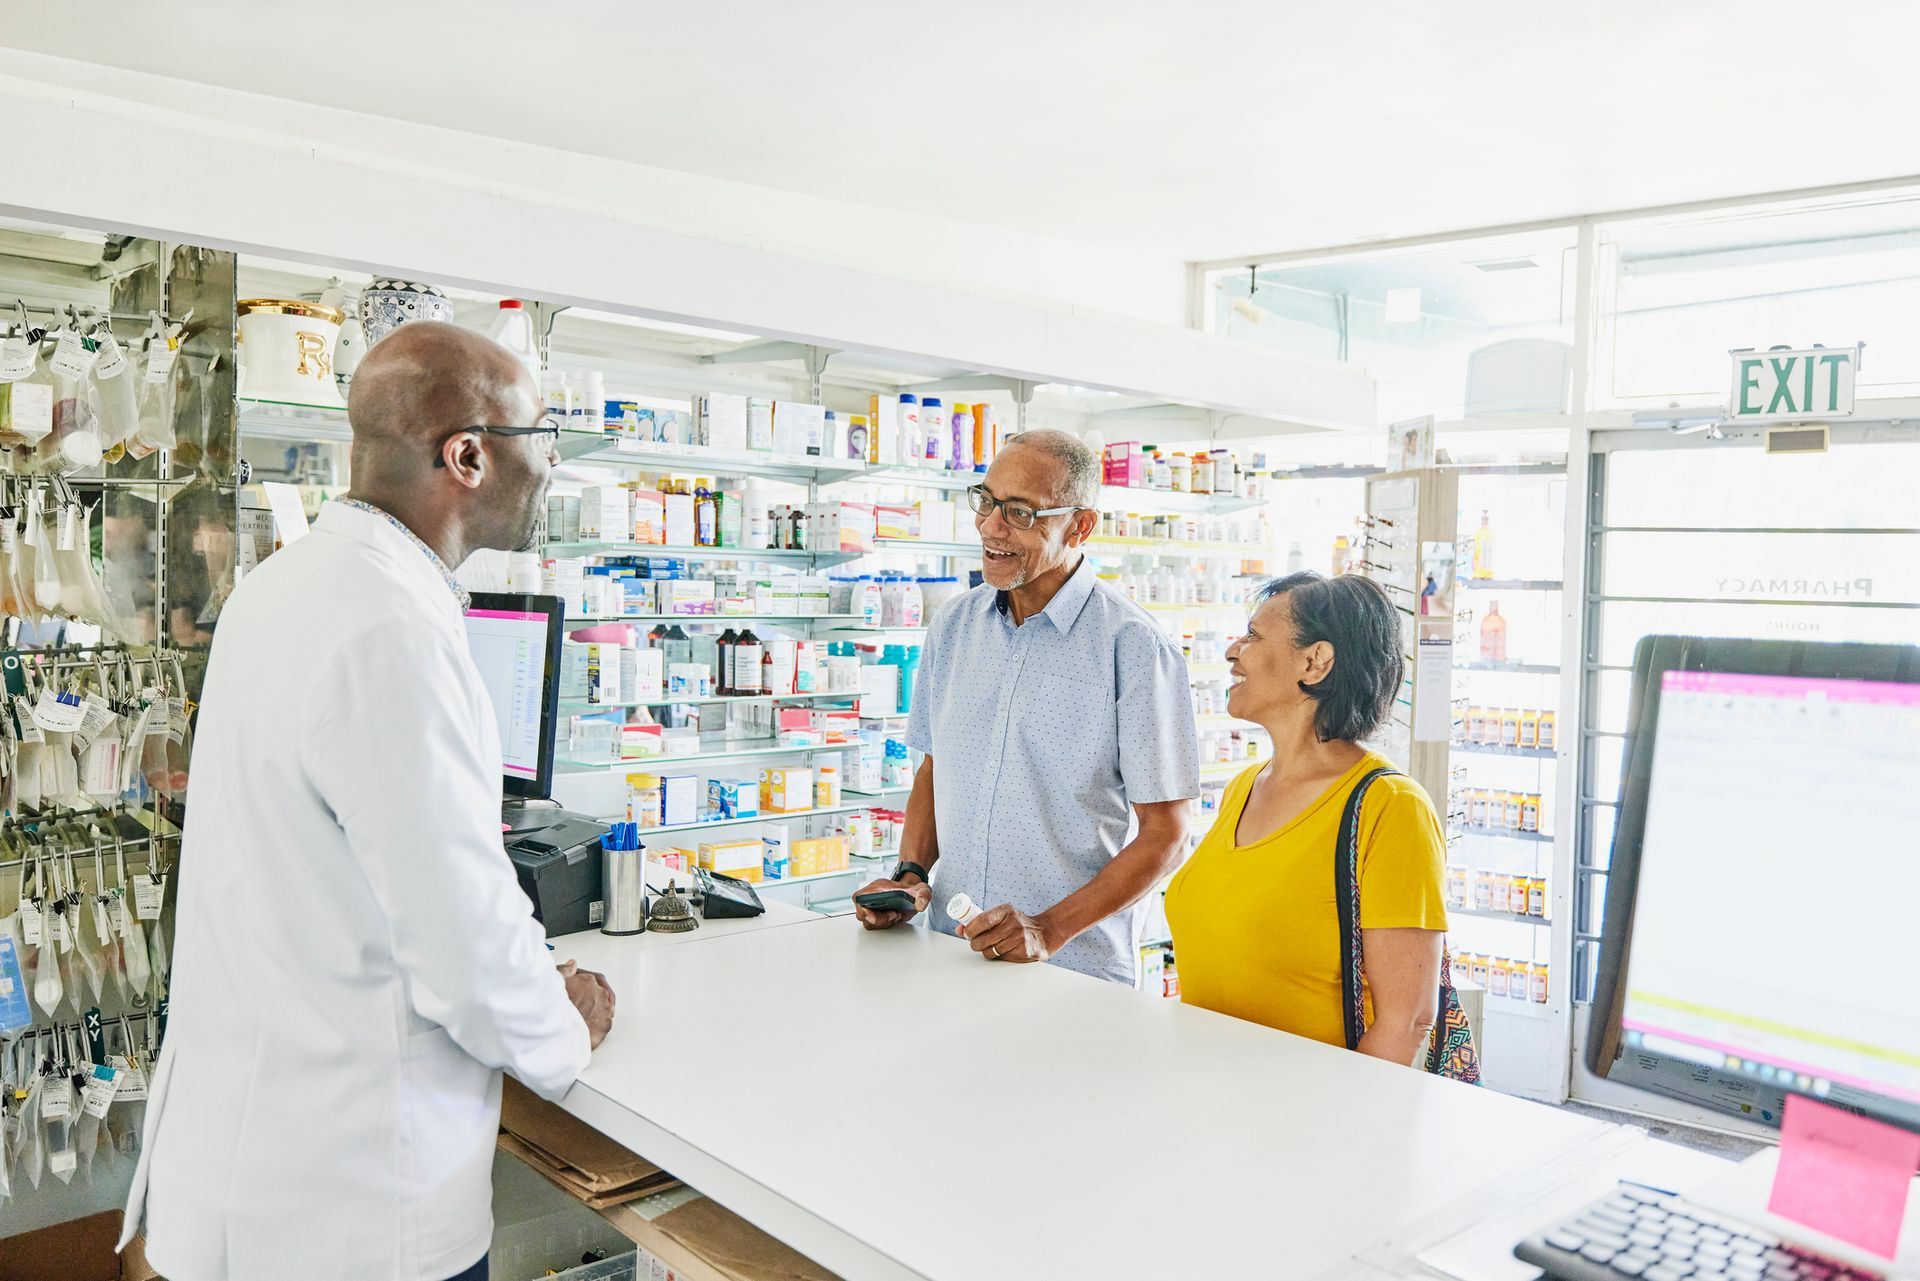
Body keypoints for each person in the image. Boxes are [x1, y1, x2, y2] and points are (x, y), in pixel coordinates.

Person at [122, 322, 616, 1281]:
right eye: (541, 437)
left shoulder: (287, 585)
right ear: (467, 455)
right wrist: (566, 1021)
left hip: (245, 1173)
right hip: (345, 1215)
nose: (551, 465)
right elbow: (465, 944)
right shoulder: (391, 632)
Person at [852, 429, 1198, 985]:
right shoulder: (955, 626)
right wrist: (912, 875)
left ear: (1080, 526)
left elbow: (1168, 832)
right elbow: (936, 769)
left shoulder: (1131, 645)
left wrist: (1049, 928)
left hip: (1070, 971)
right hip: (949, 951)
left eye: (1020, 512)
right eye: (986, 501)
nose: (991, 526)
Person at [1163, 571, 1449, 1066]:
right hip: (1209, 1099)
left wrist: (1334, 1132)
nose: (1233, 651)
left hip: (1306, 1119)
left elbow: (1407, 1020)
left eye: (1253, 636)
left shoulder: (1391, 807)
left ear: (1315, 662)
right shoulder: (1244, 788)